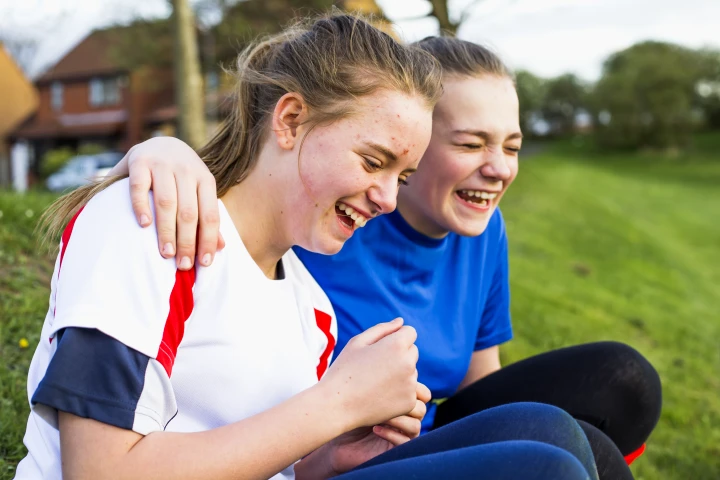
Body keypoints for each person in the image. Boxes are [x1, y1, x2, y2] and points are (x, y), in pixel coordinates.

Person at [15, 15, 598, 480]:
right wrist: (337, 404)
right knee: (541, 466)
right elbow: (96, 470)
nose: (388, 199)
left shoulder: (309, 307)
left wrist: (333, 454)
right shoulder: (151, 222)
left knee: (552, 432)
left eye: (401, 175)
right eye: (373, 161)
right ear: (291, 119)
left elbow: (277, 461)